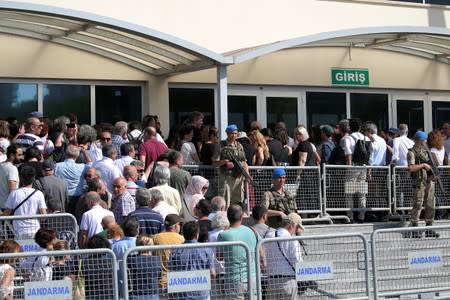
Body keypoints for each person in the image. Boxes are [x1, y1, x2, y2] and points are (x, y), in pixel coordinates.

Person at [217, 204, 258, 299]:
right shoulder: (252, 231)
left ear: (227, 217)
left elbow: (219, 257)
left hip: (234, 280)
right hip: (252, 277)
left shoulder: (223, 235)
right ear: (241, 216)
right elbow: (260, 250)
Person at [168, 221, 216, 300]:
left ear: (183, 234)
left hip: (183, 294)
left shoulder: (175, 251)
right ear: (197, 235)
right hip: (202, 294)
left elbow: (172, 273)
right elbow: (212, 273)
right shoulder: (206, 249)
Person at [406, 131, 439, 238]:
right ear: (420, 140)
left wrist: (433, 174)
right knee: (418, 205)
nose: (426, 142)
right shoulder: (412, 152)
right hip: (419, 182)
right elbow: (411, 168)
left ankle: (429, 228)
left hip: (428, 181)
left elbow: (432, 164)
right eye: (424, 140)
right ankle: (415, 229)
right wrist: (423, 165)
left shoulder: (425, 152)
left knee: (430, 205)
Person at [263, 213, 304, 300]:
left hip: (271, 281)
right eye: (297, 228)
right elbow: (298, 262)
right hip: (287, 281)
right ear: (292, 225)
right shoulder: (292, 240)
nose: (297, 231)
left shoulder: (268, 235)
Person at [3, 166, 47, 239]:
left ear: (21, 178)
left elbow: (7, 213)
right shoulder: (39, 194)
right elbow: (43, 214)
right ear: (34, 179)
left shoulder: (14, 193)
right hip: (34, 229)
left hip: (18, 230)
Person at [212, 124, 248, 206]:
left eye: (235, 133)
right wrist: (224, 162)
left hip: (238, 178)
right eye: (232, 133)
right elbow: (214, 163)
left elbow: (244, 162)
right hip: (226, 178)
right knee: (225, 201)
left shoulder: (239, 146)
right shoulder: (221, 145)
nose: (234, 135)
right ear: (227, 134)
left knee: (238, 202)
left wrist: (247, 175)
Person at [55, 144, 92, 214]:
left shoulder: (57, 166)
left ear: (65, 154)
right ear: (77, 156)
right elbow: (90, 163)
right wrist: (84, 152)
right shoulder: (82, 167)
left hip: (62, 197)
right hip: (77, 197)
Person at [153, 214, 185, 294]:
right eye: (179, 224)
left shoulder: (155, 237)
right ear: (176, 226)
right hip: (177, 281)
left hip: (160, 281)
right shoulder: (182, 239)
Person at [127, 235, 161, 300]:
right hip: (152, 293)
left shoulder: (131, 260)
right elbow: (159, 276)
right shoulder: (156, 260)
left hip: (136, 293)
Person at [0, 143, 23, 210]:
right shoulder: (12, 168)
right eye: (19, 155)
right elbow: (12, 192)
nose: (22, 157)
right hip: (8, 209)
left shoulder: (1, 166)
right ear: (12, 155)